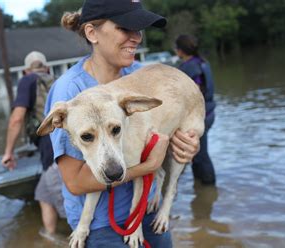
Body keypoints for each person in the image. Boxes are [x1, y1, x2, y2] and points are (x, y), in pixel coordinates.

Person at [44, 0, 201, 247]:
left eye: (138, 29)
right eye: (125, 28)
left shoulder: (140, 73)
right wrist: (150, 165)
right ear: (92, 33)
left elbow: (170, 119)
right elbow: (75, 182)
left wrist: (188, 147)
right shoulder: (69, 91)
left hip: (148, 208)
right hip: (102, 227)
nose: (136, 38)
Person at [1, 51, 66, 239]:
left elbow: (17, 119)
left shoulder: (27, 80)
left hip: (50, 144)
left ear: (25, 71)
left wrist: (8, 152)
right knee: (43, 194)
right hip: (65, 141)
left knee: (64, 195)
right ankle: (50, 236)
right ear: (46, 67)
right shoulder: (57, 80)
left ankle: (84, 236)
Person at [175, 34, 217, 185]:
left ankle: (208, 185)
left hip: (201, 116)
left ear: (180, 51)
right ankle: (200, 188)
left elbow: (195, 92)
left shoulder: (189, 67)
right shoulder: (203, 62)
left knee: (200, 154)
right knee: (196, 152)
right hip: (210, 112)